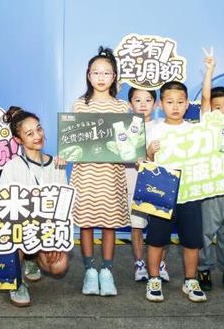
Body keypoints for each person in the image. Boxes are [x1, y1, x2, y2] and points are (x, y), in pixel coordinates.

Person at [0, 106, 70, 307]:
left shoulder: (57, 164)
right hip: (20, 231)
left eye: (39, 129)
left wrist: (56, 241)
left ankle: (32, 258)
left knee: (59, 266)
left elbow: (62, 208)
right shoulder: (12, 166)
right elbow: (2, 204)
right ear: (18, 139)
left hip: (44, 231)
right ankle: (17, 282)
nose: (37, 136)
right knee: (7, 229)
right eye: (29, 133)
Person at [70, 47, 130, 297]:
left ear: (114, 76)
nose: (101, 77)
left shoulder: (122, 106)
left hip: (111, 175)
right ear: (88, 75)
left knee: (109, 224)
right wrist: (66, 151)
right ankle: (89, 272)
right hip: (85, 174)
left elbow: (127, 144)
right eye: (96, 72)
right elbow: (73, 141)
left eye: (106, 72)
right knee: (85, 223)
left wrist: (133, 149)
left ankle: (106, 271)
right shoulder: (80, 105)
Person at [145, 81, 206, 303]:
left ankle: (190, 280)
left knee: (191, 240)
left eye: (180, 102)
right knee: (156, 240)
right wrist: (150, 152)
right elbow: (145, 162)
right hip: (162, 193)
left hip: (189, 193)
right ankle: (154, 279)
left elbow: (208, 152)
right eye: (170, 102)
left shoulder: (194, 129)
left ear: (187, 103)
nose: (175, 106)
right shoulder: (154, 129)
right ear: (161, 104)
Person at [197, 52, 224, 293]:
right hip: (210, 190)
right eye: (217, 107)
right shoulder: (208, 125)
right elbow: (205, 97)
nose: (223, 111)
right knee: (206, 233)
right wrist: (210, 71)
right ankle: (204, 269)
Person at [125, 88, 170, 282]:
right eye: (137, 100)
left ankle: (161, 264)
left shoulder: (163, 127)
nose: (143, 104)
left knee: (160, 226)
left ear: (156, 103)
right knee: (137, 225)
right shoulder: (124, 129)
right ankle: (139, 263)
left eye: (148, 100)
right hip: (133, 180)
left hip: (160, 183)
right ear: (130, 104)